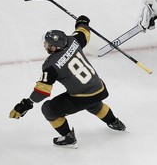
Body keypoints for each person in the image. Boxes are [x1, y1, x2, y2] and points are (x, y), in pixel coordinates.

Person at [9, 15, 126, 148]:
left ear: (54, 48)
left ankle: (68, 137)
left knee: (48, 109)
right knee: (93, 103)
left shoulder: (50, 65)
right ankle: (114, 122)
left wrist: (27, 103)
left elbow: (42, 91)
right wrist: (82, 21)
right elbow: (84, 32)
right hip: (99, 88)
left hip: (83, 96)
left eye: (48, 44)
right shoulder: (73, 41)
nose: (45, 45)